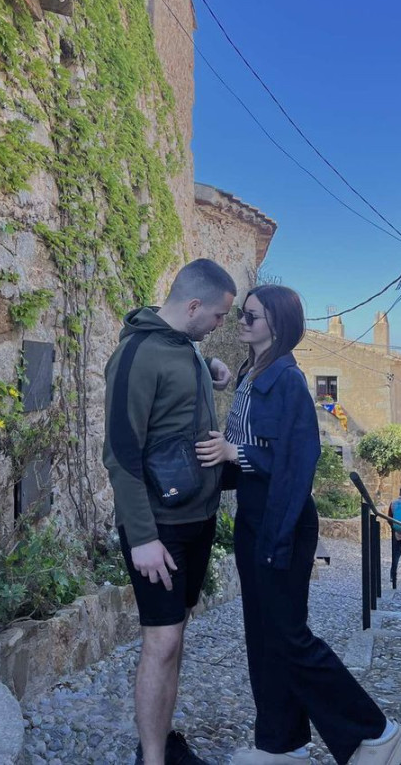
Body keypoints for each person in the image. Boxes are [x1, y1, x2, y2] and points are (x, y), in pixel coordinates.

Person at [196, 285, 401, 765]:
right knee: (263, 636)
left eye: (251, 316)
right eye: (241, 315)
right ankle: (281, 745)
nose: (241, 322)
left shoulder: (289, 381)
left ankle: (377, 732)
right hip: (255, 516)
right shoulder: (252, 374)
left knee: (288, 636)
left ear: (277, 324)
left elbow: (297, 460)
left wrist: (236, 454)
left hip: (283, 520)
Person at [103, 258, 236, 765]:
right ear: (194, 305)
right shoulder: (136, 353)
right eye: (219, 316)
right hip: (158, 528)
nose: (221, 325)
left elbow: (178, 390)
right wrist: (142, 537)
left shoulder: (187, 347)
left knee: (175, 634)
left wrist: (212, 369)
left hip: (196, 521)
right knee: (160, 641)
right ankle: (152, 760)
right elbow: (120, 452)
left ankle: (159, 741)